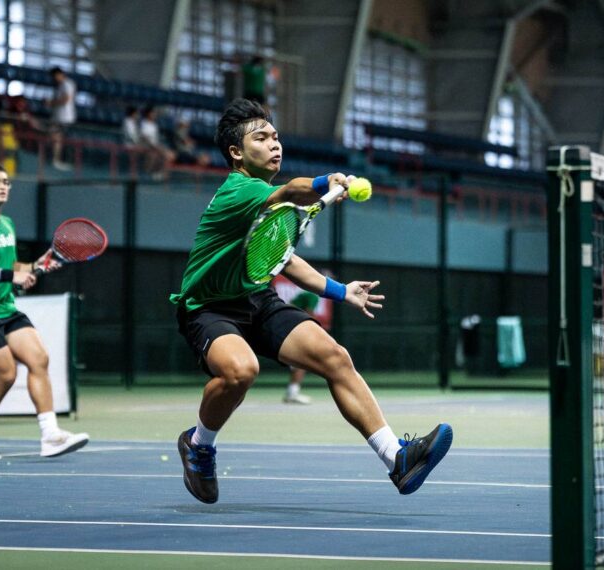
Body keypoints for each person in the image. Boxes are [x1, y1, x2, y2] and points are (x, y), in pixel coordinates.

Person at [170, 98, 453, 504]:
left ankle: (398, 458)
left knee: (334, 356)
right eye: (261, 138)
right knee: (240, 370)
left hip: (256, 300)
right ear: (236, 152)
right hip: (208, 307)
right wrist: (325, 183)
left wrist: (341, 291)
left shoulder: (266, 202)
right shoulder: (240, 190)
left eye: (276, 137)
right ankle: (199, 444)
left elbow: (283, 258)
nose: (274, 144)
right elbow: (292, 189)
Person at [0, 160, 89, 460]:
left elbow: (9, 267)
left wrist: (35, 267)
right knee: (5, 374)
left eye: (6, 182)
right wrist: (8, 276)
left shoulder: (7, 224)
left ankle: (50, 435)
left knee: (39, 358)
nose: (4, 186)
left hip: (5, 307)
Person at [272, 273, 334, 405]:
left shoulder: (307, 295)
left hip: (285, 324)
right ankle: (292, 393)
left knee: (300, 362)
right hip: (287, 326)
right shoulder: (313, 296)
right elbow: (308, 315)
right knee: (301, 361)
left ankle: (292, 392)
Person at [46, 67, 76, 171]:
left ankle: (57, 160)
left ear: (59, 74)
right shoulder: (60, 85)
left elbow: (66, 99)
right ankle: (55, 159)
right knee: (55, 137)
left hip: (64, 118)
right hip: (58, 117)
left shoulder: (67, 84)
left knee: (57, 138)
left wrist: (51, 103)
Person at [139, 105, 175, 177]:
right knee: (156, 153)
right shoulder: (143, 124)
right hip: (146, 145)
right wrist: (155, 146)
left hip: (154, 146)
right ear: (148, 114)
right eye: (153, 113)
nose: (155, 115)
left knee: (169, 154)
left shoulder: (154, 125)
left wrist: (158, 146)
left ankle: (159, 173)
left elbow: (155, 139)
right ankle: (149, 173)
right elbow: (145, 138)